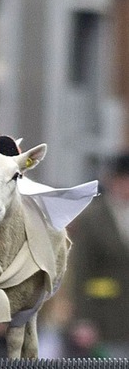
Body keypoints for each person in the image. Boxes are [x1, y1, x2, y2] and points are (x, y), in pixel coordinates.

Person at [67, 151, 129, 357]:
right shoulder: (93, 219)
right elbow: (82, 271)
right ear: (114, 181)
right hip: (107, 319)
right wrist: (83, 320)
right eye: (123, 180)